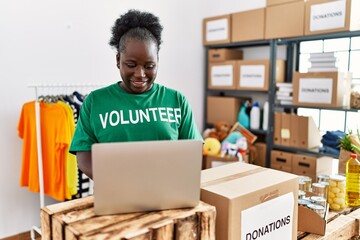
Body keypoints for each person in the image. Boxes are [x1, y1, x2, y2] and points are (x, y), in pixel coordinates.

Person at [69, 9, 202, 179]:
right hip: (114, 195)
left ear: (158, 61)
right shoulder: (95, 102)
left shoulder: (177, 100)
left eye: (149, 66)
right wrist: (120, 183)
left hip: (167, 193)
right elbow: (84, 158)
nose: (140, 74)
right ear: (118, 60)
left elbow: (192, 153)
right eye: (131, 65)